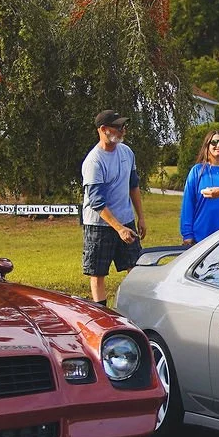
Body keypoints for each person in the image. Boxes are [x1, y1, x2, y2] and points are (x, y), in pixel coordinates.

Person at [80, 109, 143, 304]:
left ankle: (136, 308)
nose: (123, 130)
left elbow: (134, 185)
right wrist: (119, 228)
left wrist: (140, 217)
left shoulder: (127, 152)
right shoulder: (94, 161)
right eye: (118, 127)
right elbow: (97, 202)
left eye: (124, 126)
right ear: (103, 129)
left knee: (135, 267)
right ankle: (102, 313)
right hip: (99, 224)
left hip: (126, 220)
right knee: (98, 272)